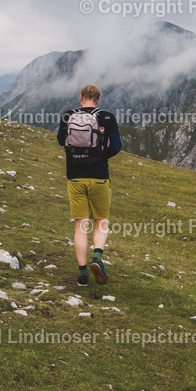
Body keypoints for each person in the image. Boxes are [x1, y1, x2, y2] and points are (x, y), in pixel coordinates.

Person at [56, 84, 122, 286]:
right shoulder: (108, 117)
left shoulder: (68, 115)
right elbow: (117, 146)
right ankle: (98, 258)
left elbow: (61, 141)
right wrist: (101, 156)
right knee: (101, 221)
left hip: (74, 176)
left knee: (80, 224)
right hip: (99, 176)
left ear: (81, 97)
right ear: (98, 99)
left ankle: (82, 274)